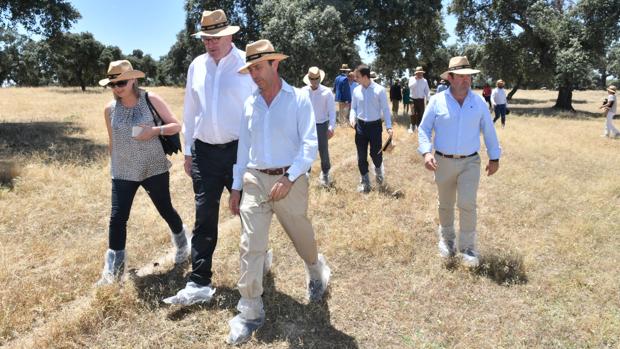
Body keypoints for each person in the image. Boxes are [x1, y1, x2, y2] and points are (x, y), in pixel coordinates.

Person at [227, 39, 331, 345]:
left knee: (302, 236)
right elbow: (243, 149)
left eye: (258, 67)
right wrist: (235, 187)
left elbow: (310, 144)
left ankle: (315, 269)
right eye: (250, 70)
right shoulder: (250, 103)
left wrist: (289, 177)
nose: (254, 75)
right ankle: (250, 310)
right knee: (251, 244)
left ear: (275, 64)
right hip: (255, 180)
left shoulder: (298, 99)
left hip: (291, 179)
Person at [163, 9, 256, 305]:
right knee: (204, 217)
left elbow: (259, 109)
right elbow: (190, 110)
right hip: (204, 152)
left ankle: (259, 260)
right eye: (205, 38)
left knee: (249, 212)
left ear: (230, 35)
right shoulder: (196, 66)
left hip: (239, 151)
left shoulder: (246, 63)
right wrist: (188, 152)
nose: (210, 43)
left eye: (215, 37)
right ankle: (199, 283)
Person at [96, 60, 189, 285]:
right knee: (117, 218)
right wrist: (113, 166)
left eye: (121, 82)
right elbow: (112, 141)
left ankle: (183, 244)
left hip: (153, 166)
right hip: (123, 170)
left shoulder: (150, 99)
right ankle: (114, 271)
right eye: (113, 83)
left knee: (165, 209)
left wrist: (153, 131)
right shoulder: (109, 109)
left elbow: (176, 126)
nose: (117, 87)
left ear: (134, 80)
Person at [418, 56, 501, 268]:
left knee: (467, 202)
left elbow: (489, 131)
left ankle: (468, 248)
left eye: (469, 77)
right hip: (443, 161)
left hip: (470, 162)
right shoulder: (437, 101)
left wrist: (494, 157)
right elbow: (424, 129)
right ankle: (447, 241)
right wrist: (426, 153)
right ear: (451, 78)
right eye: (462, 77)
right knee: (445, 203)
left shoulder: (479, 102)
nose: (466, 81)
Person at [350, 64, 394, 193]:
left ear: (364, 76)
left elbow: (385, 109)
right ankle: (365, 182)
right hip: (360, 127)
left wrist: (389, 126)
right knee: (361, 156)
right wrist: (352, 118)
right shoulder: (356, 90)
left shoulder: (379, 90)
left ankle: (379, 170)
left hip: (375, 126)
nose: (355, 79)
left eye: (357, 77)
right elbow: (353, 107)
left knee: (376, 155)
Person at [301, 66, 336, 186]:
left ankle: (325, 173)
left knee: (323, 150)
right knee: (305, 149)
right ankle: (305, 173)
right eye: (312, 79)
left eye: (316, 79)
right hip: (306, 125)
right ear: (309, 79)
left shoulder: (327, 92)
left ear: (319, 78)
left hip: (322, 125)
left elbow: (332, 111)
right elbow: (299, 109)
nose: (314, 81)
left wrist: (331, 127)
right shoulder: (303, 91)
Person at [408, 66, 430, 134]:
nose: (420, 74)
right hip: (412, 99)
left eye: (421, 73)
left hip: (421, 99)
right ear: (416, 73)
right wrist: (416, 80)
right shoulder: (411, 79)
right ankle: (412, 127)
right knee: (413, 113)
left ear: (422, 73)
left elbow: (427, 90)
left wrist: (428, 99)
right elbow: (410, 86)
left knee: (421, 113)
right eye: (418, 73)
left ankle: (419, 126)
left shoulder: (425, 81)